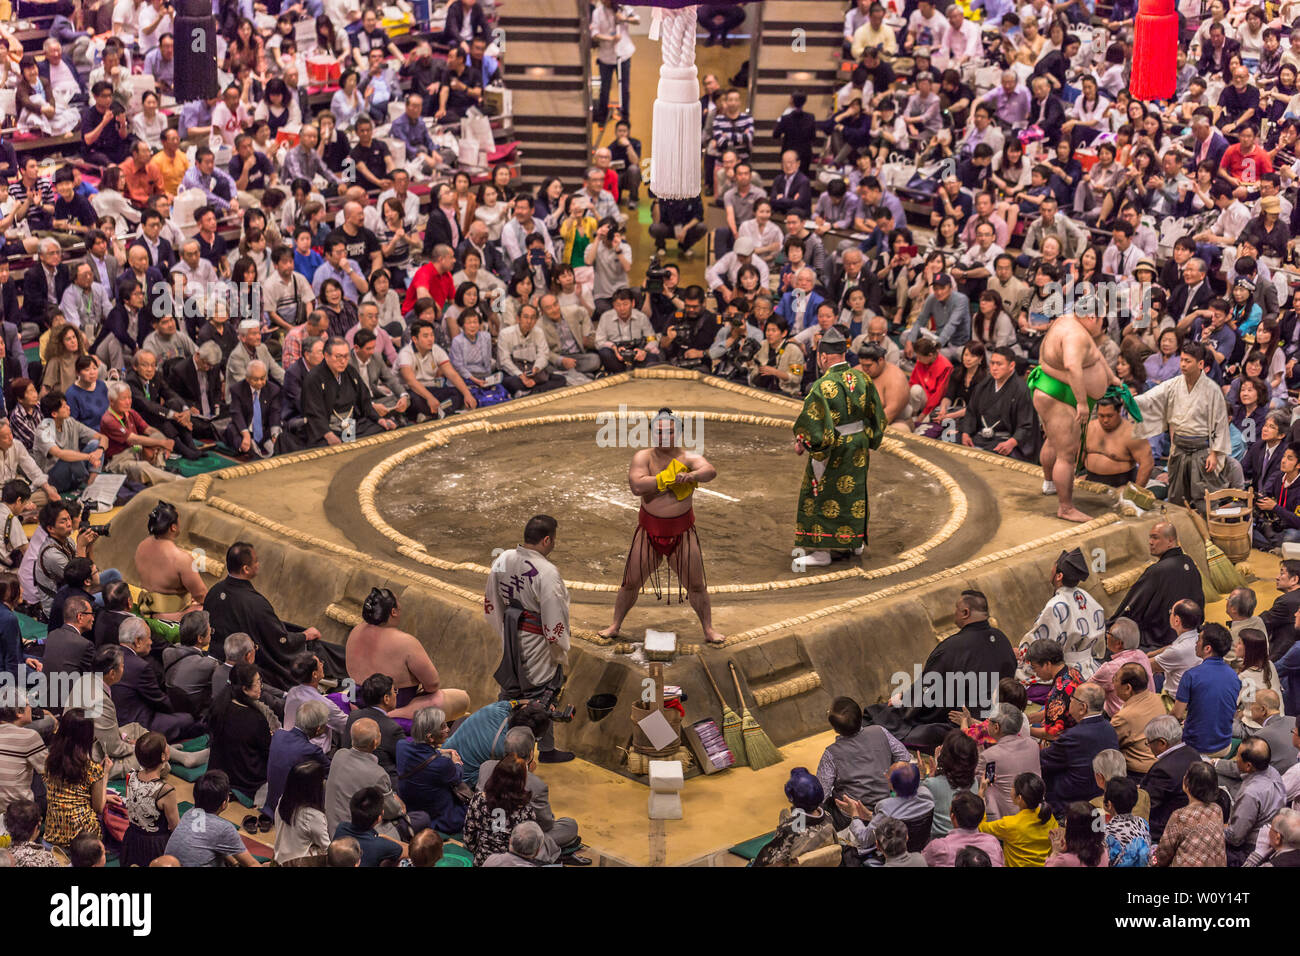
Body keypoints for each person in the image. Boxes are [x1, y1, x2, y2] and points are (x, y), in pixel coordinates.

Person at [597, 410, 724, 643]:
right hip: (648, 534)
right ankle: (615, 625)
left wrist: (691, 475)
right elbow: (637, 486)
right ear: (652, 433)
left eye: (670, 431)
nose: (664, 435)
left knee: (696, 585)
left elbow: (710, 471)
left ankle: (708, 630)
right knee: (630, 583)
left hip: (682, 533)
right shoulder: (643, 457)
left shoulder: (688, 458)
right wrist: (669, 478)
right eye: (659, 431)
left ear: (679, 433)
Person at [790, 328, 885, 568]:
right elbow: (878, 416)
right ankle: (855, 542)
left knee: (822, 493)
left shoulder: (822, 385)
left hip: (834, 447)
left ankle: (822, 553)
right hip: (859, 445)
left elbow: (813, 425)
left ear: (823, 357)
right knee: (854, 492)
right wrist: (870, 440)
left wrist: (805, 443)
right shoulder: (863, 379)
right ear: (844, 353)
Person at [874, 591, 1017, 750]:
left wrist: (903, 698)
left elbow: (927, 687)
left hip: (961, 722)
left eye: (957, 608)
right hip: (1002, 718)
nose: (954, 612)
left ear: (965, 613)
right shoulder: (1002, 639)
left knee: (880, 718)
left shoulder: (952, 647)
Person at [485, 516, 573, 761]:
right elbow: (555, 616)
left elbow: (491, 600)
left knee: (512, 687)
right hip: (535, 639)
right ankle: (520, 748)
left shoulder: (502, 558)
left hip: (510, 634)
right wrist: (559, 648)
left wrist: (505, 630)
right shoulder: (547, 572)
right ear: (547, 540)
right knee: (541, 691)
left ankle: (544, 749)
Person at [1028, 310, 1125, 521]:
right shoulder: (1075, 334)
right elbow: (1072, 366)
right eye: (1101, 321)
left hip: (1053, 389)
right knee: (1067, 454)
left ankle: (1049, 484)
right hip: (1063, 395)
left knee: (1053, 442)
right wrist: (1082, 403)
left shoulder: (1067, 320)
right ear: (1092, 317)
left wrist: (1111, 378)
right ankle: (1066, 508)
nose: (1103, 327)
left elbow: (1096, 357)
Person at [203, 541, 336, 689]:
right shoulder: (256, 604)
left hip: (217, 655)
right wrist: (304, 636)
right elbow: (280, 642)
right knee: (316, 648)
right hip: (250, 666)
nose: (258, 564)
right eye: (256, 561)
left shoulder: (213, 591)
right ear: (246, 569)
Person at [345, 586, 470, 724]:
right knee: (462, 698)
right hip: (395, 706)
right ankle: (393, 714)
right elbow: (432, 684)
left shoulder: (356, 630)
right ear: (393, 612)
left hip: (357, 699)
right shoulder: (405, 642)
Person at [1133, 342, 1231, 507]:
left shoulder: (1212, 390)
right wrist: (1129, 399)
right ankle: (1175, 529)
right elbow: (1150, 397)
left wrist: (1214, 453)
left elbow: (1219, 423)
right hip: (1178, 447)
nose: (1183, 365)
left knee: (1201, 496)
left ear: (1200, 364)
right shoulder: (1174, 384)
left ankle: (1204, 530)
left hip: (1201, 449)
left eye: (1188, 361)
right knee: (1176, 494)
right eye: (1182, 360)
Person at [1109, 522, 1205, 650]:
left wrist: (1113, 624)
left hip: (1160, 637)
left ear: (1170, 541)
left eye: (1155, 537)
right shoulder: (1189, 562)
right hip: (1189, 632)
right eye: (1150, 537)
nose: (1150, 542)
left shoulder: (1157, 570)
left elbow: (1132, 607)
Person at [112, 617, 205, 743]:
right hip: (135, 724)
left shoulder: (109, 654)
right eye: (149, 638)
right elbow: (160, 701)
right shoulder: (140, 666)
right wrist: (188, 709)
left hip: (115, 719)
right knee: (187, 718)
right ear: (138, 641)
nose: (151, 642)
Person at [1020, 548, 1107, 680]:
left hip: (1067, 672)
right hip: (1092, 668)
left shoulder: (1054, 607)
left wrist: (1021, 653)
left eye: (1054, 567)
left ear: (1059, 576)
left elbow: (1039, 644)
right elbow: (1099, 646)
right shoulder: (1089, 598)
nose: (1051, 569)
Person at [1040, 683, 1119, 817]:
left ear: (1083, 708)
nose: (1068, 701)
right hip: (1099, 794)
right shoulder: (1109, 728)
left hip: (1071, 801)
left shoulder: (1074, 736)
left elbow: (1043, 761)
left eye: (1072, 699)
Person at [42, 707, 115, 848]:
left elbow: (66, 794)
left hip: (52, 834)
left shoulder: (48, 760)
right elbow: (98, 807)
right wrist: (105, 773)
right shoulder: (92, 768)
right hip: (83, 838)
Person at [165, 770, 263, 867]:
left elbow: (212, 841)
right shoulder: (225, 828)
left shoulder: (188, 813)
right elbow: (252, 864)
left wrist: (234, 862)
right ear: (224, 803)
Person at [1173, 623, 1242, 757]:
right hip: (1224, 745)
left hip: (1195, 747)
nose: (1196, 643)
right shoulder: (1234, 676)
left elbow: (1176, 715)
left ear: (1207, 648)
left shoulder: (1191, 675)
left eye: (1198, 640)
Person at [395, 705, 465, 835]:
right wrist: (457, 763)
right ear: (430, 737)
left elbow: (422, 754)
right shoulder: (442, 764)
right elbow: (457, 777)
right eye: (443, 727)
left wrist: (439, 751)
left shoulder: (401, 747)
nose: (448, 729)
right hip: (440, 818)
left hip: (411, 809)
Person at [133, 501, 206, 617]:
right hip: (169, 617)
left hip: (144, 608)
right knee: (207, 608)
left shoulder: (142, 545)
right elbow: (202, 595)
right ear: (173, 527)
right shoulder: (181, 559)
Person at [462, 753, 536, 866]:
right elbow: (529, 846)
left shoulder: (478, 800)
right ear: (520, 781)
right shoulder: (525, 810)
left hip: (483, 860)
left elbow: (468, 837)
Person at [120, 731, 179, 868]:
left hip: (132, 839)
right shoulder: (165, 790)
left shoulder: (132, 776)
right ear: (163, 756)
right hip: (155, 846)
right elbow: (175, 826)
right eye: (166, 746)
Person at [263, 699, 329, 821]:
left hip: (270, 805)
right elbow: (331, 773)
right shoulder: (312, 750)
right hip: (290, 814)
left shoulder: (278, 735)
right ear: (319, 729)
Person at [1152, 761, 1229, 867]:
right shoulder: (1217, 810)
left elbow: (1163, 854)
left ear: (1186, 783)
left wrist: (1152, 862)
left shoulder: (1180, 816)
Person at [978, 772, 1057, 866]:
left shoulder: (1010, 824)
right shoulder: (1049, 817)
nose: (1011, 789)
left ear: (1019, 798)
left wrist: (982, 792)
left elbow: (981, 827)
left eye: (1012, 787)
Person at [1144, 715, 1203, 841]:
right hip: (1193, 819)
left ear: (1162, 743)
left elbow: (1148, 805)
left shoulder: (1163, 770)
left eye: (1148, 743)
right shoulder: (1193, 753)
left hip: (1164, 828)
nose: (1148, 747)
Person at [1110, 663, 1167, 774]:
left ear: (1127, 688)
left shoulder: (1124, 717)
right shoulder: (1155, 698)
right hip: (1159, 762)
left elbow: (1107, 743)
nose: (1113, 683)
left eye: (1115, 679)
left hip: (1137, 772)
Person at [1084, 397, 1154, 487]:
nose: (1105, 420)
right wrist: (1076, 474)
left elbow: (1147, 464)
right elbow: (1080, 454)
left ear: (1119, 411)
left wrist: (1135, 490)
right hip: (1090, 480)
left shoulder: (1132, 433)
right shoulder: (1089, 428)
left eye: (1109, 416)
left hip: (1121, 484)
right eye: (1101, 416)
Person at [272, 760, 330, 865]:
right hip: (298, 863)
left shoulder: (283, 801)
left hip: (278, 859)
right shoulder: (312, 816)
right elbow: (327, 848)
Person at [332, 786, 405, 867]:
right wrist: (385, 838)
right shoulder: (382, 846)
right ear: (379, 817)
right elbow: (404, 851)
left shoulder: (341, 828)